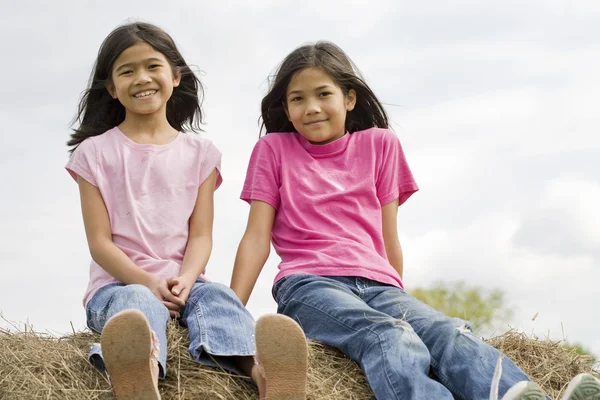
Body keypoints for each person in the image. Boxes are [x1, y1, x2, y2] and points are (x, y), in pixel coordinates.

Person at [230, 40, 600, 400]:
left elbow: (388, 235)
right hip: (310, 285)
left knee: (448, 332)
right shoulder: (273, 150)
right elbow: (255, 238)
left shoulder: (380, 144)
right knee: (389, 335)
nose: (311, 107)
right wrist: (232, 317)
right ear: (286, 106)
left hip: (380, 285)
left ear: (349, 98)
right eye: (298, 98)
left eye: (323, 94)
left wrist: (400, 297)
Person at [66, 21, 307, 400]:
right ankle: (137, 374)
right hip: (118, 286)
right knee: (138, 305)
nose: (141, 78)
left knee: (220, 298)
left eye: (152, 66)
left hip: (186, 284)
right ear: (111, 88)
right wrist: (147, 281)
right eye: (127, 71)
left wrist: (188, 278)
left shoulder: (201, 155)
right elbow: (100, 243)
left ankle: (264, 376)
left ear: (176, 76)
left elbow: (201, 235)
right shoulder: (93, 155)